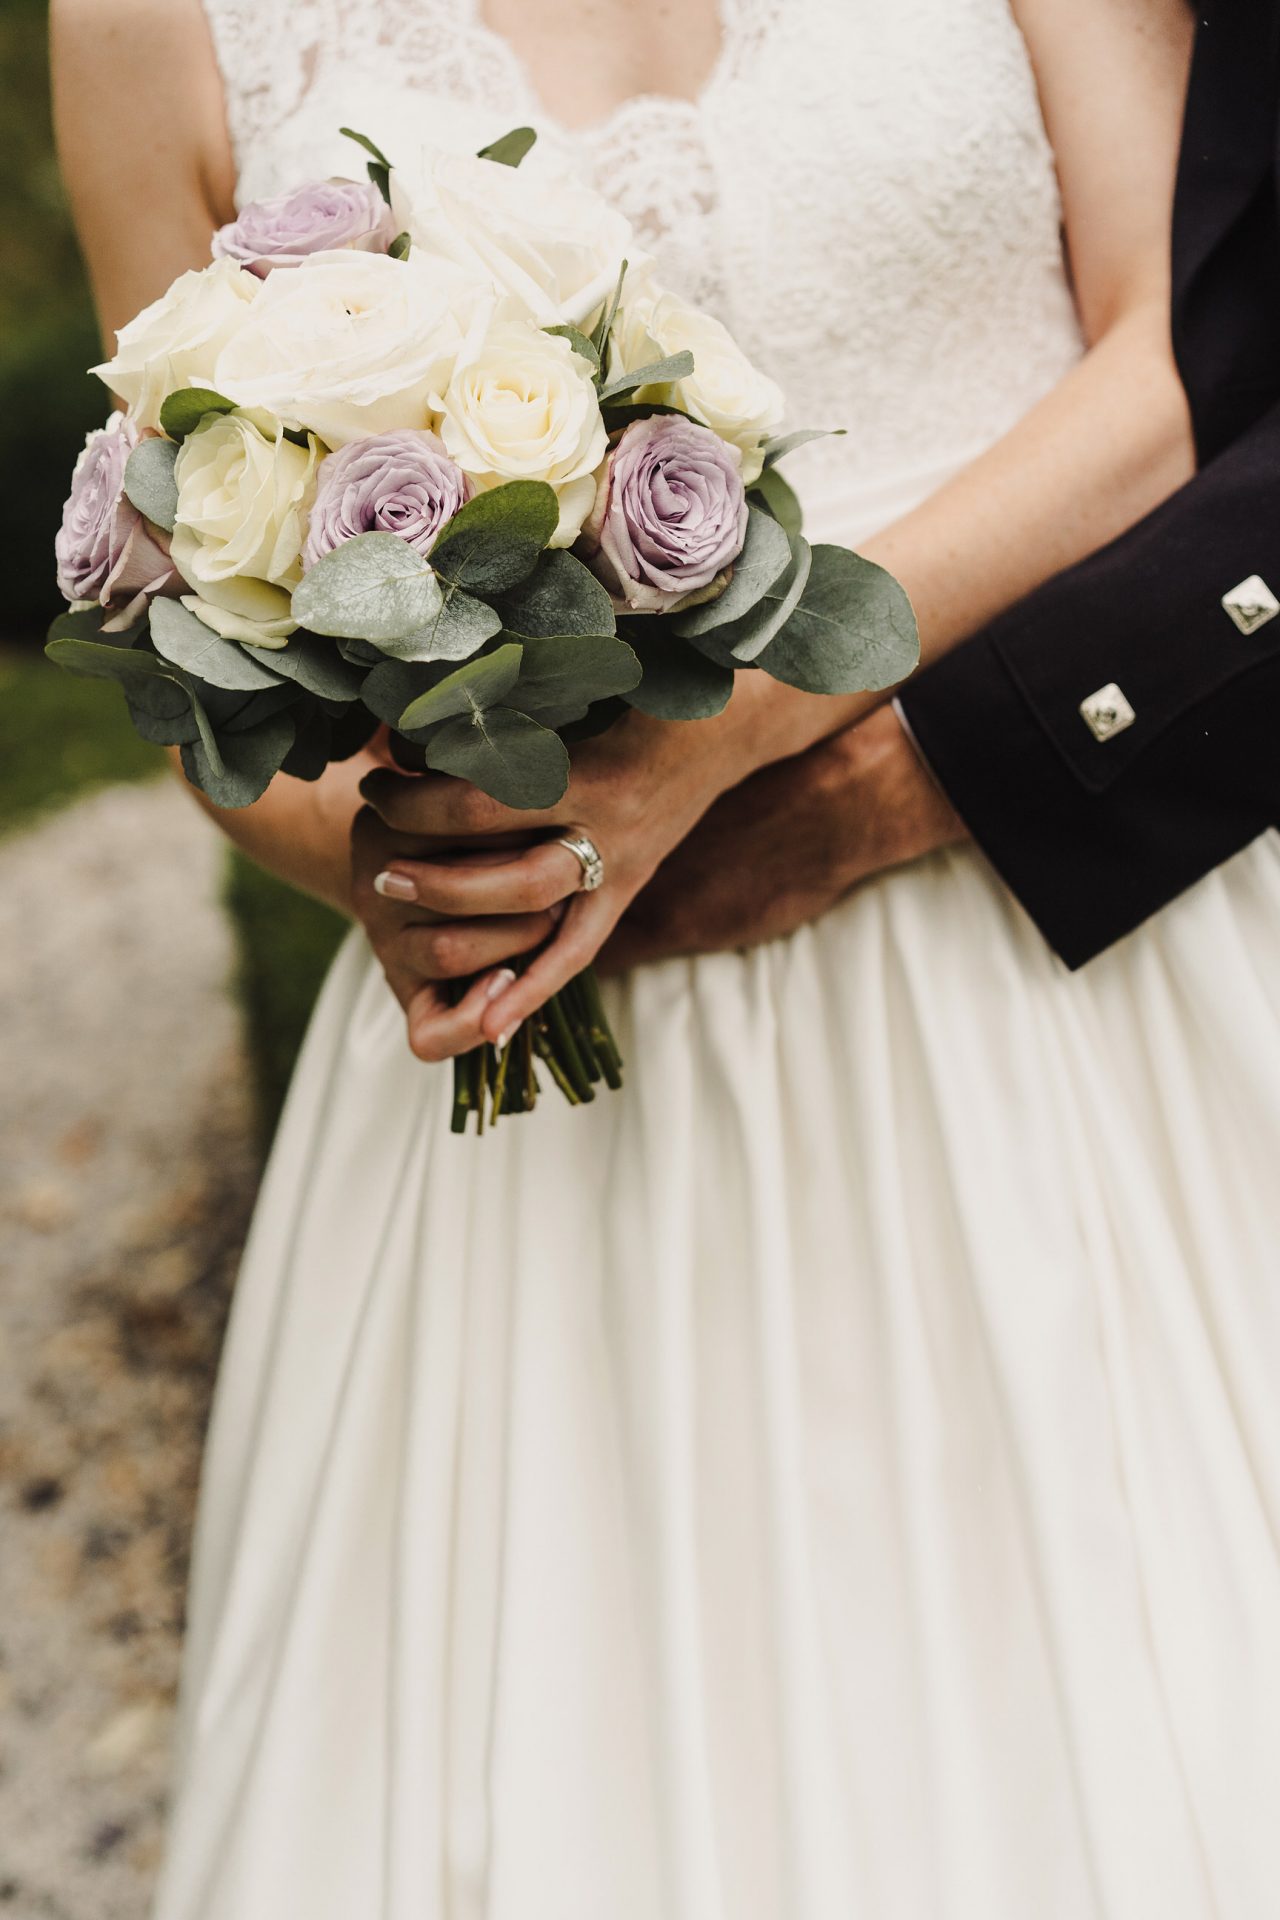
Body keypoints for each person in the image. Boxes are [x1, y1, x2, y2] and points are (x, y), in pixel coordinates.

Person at [52, 0, 1280, 1914]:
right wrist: (415, 872)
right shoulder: (142, 25)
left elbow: (1164, 375)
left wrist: (750, 725)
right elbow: (172, 614)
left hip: (1055, 958)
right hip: (558, 1060)